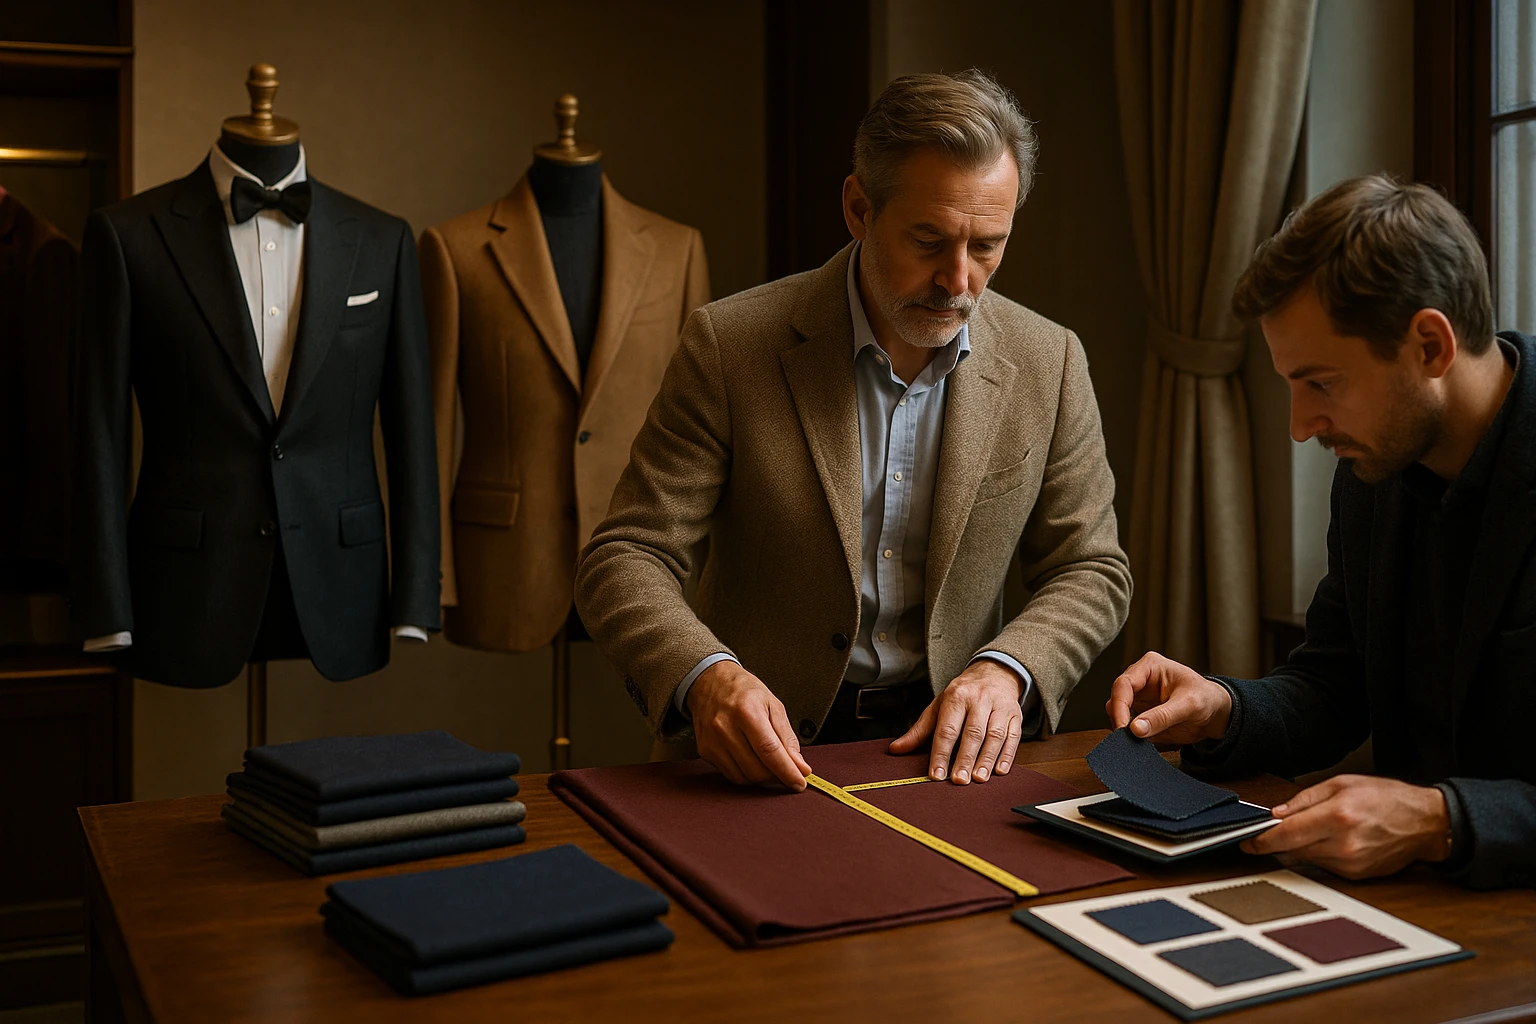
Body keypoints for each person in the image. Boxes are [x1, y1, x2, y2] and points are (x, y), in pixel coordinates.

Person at [575, 70, 1131, 791]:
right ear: (859, 208)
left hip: (954, 759)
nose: (958, 280)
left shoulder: (1050, 360)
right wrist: (705, 676)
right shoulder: (729, 345)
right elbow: (625, 556)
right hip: (752, 761)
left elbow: (1091, 567)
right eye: (928, 240)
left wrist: (1009, 668)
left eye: (988, 246)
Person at [1108, 175, 1535, 889]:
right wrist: (1225, 709)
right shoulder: (1378, 464)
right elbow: (1337, 683)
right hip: (1415, 911)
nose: (1301, 427)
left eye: (1323, 384)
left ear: (1430, 345)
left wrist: (1443, 819)